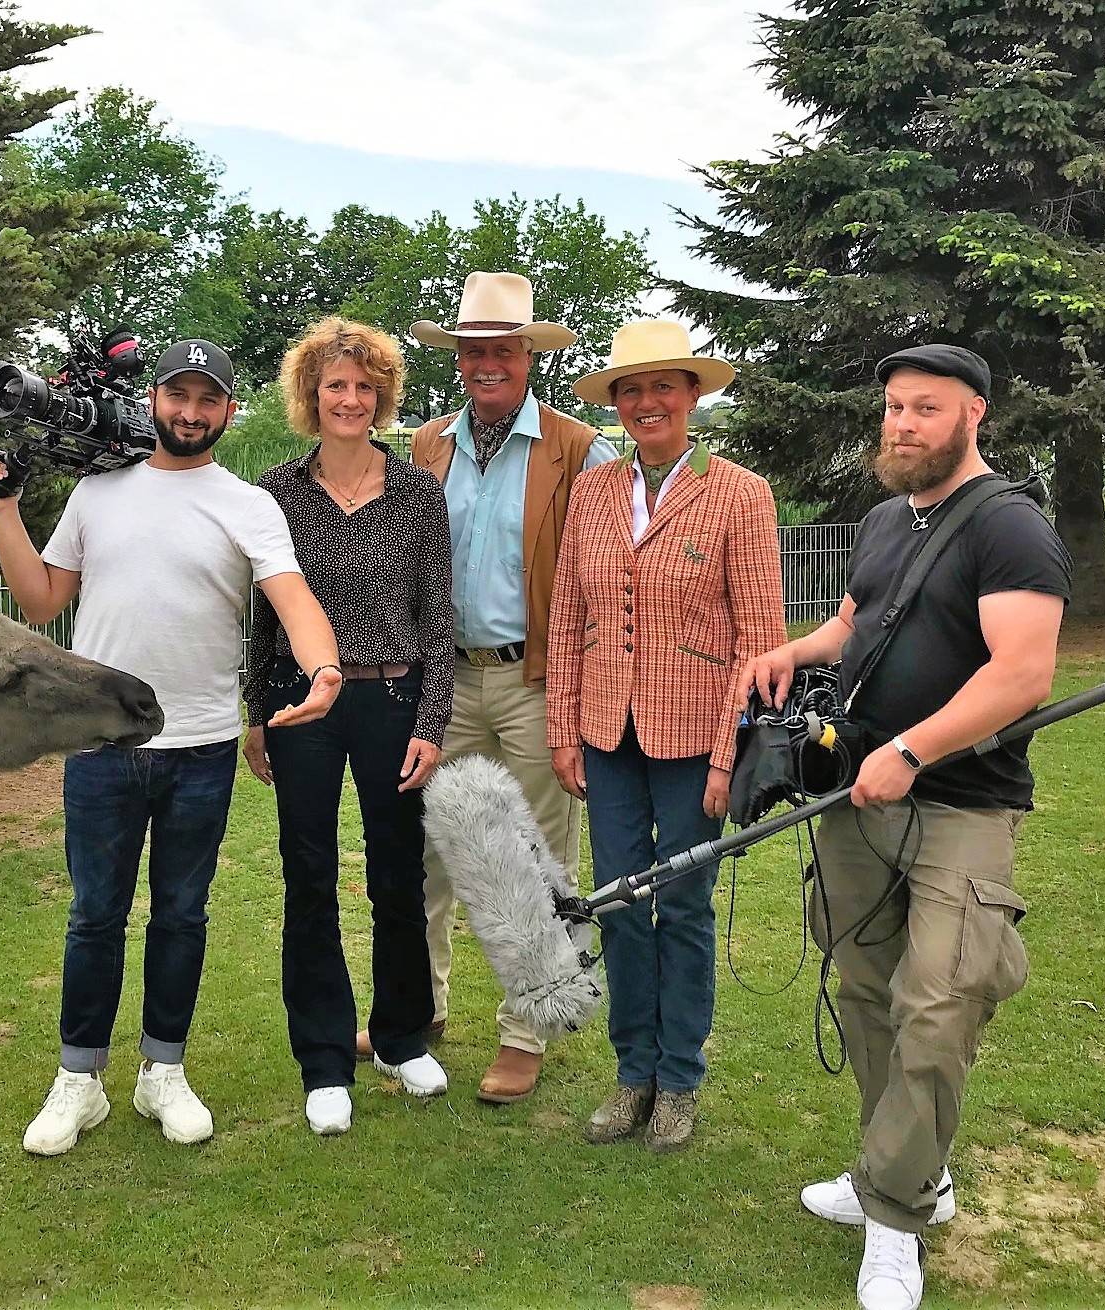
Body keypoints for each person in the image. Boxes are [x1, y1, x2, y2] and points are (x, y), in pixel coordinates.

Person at [737, 344, 1069, 1310]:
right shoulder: (887, 518)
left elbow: (1022, 673)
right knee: (868, 991)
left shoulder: (1011, 527)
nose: (902, 424)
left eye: (927, 408)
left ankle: (893, 1223)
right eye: (892, 407)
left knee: (940, 1001)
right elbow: (856, 622)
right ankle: (907, 1175)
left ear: (976, 417)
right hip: (858, 796)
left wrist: (916, 750)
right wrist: (792, 650)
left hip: (961, 802)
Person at [0, 338, 343, 1157]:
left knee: (181, 913)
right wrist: (3, 514)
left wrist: (323, 667)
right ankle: (79, 1082)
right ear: (154, 399)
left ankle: (161, 1071)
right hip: (99, 741)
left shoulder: (248, 504)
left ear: (228, 412)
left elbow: (293, 597)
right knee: (94, 915)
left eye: (207, 399)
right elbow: (39, 602)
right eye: (178, 394)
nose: (190, 411)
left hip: (202, 747)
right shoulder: (99, 491)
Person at [545, 320, 785, 1153]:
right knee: (618, 903)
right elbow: (570, 611)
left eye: (663, 388)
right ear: (615, 403)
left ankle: (678, 1079)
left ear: (692, 395)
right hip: (608, 732)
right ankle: (631, 1073)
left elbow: (760, 638)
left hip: (694, 741)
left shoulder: (740, 493)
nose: (647, 403)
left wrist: (732, 753)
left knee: (681, 905)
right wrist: (566, 728)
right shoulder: (596, 489)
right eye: (630, 390)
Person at [401, 271, 618, 1104]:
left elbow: (603, 576)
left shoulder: (578, 449)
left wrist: (582, 689)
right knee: (428, 858)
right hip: (442, 681)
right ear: (457, 361)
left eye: (502, 350)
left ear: (528, 357)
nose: (487, 363)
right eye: (472, 351)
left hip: (533, 680)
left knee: (533, 860)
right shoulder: (427, 446)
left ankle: (527, 1031)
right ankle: (418, 1013)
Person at [241, 317, 457, 1136]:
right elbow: (262, 617)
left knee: (399, 877)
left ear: (384, 398)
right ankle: (324, 1058)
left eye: (366, 387)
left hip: (395, 700)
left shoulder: (416, 495)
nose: (351, 399)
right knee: (309, 877)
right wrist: (256, 712)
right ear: (311, 395)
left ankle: (400, 1039)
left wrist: (432, 721)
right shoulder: (276, 493)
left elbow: (438, 621)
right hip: (303, 706)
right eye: (337, 385)